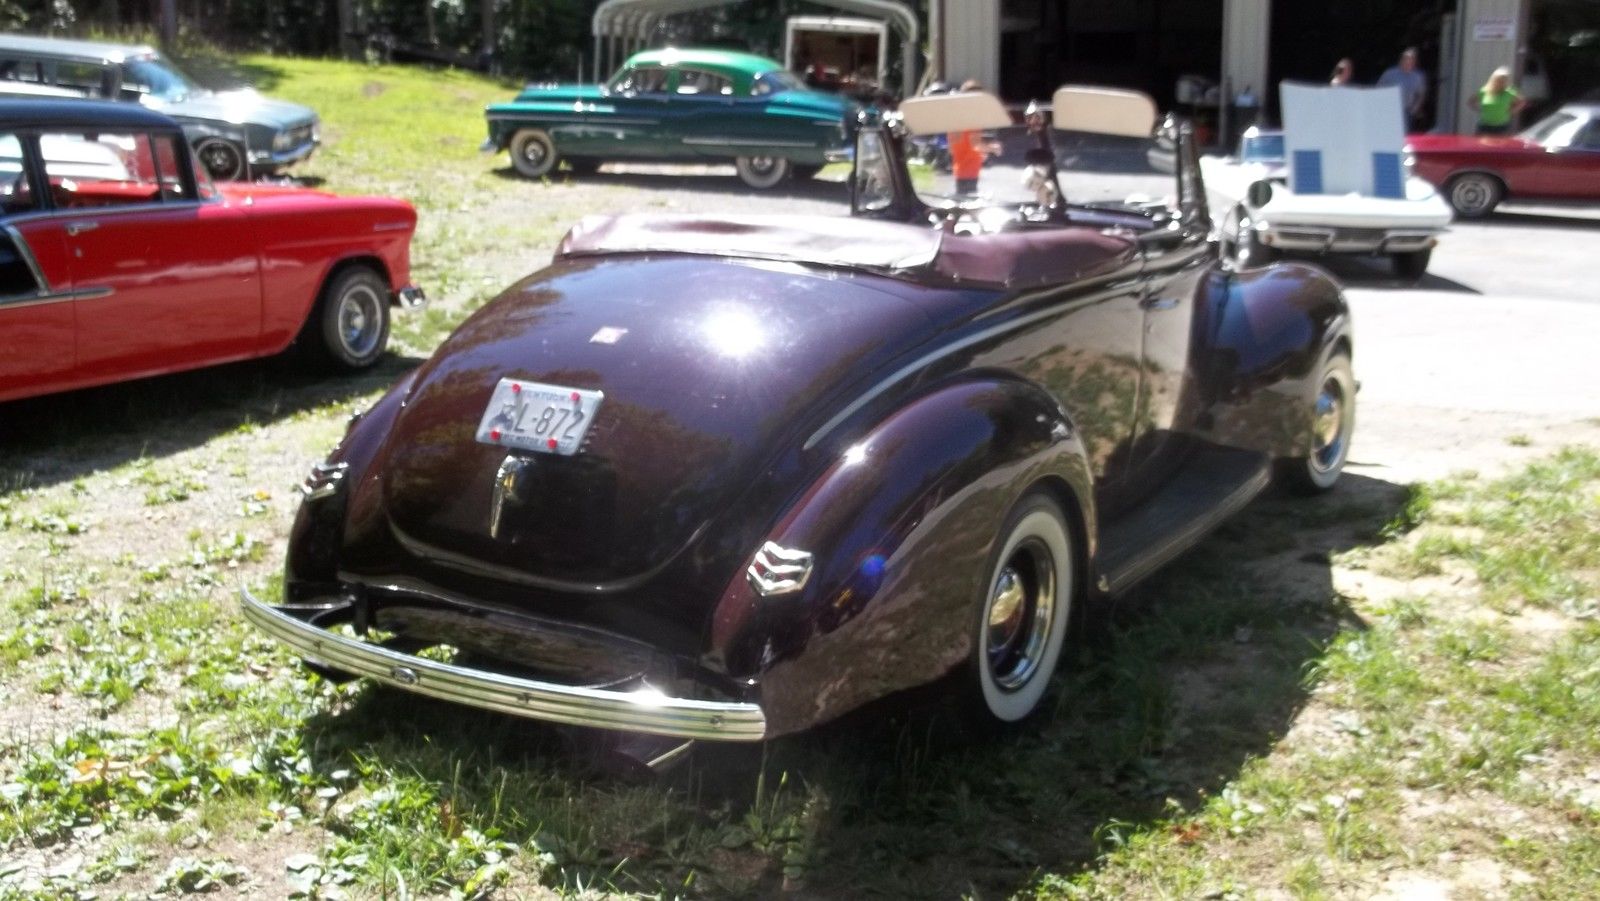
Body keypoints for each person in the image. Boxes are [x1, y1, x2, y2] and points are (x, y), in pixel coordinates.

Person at [948, 79, 1002, 195]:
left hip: (960, 171)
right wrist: (993, 148)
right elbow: (976, 145)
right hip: (969, 172)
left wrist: (978, 154)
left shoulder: (956, 118)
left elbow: (953, 148)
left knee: (962, 202)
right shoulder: (972, 118)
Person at [1377, 48, 1428, 132]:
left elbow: (1421, 94)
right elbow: (1378, 89)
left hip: (1406, 111)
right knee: (1387, 132)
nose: (1408, 62)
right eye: (1406, 59)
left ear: (1414, 62)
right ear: (1401, 60)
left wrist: (1415, 109)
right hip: (1389, 110)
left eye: (1411, 60)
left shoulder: (1418, 77)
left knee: (1403, 136)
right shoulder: (1390, 74)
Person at [1469, 66, 1527, 135]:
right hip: (1485, 125)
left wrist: (1512, 111)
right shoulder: (1484, 91)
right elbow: (1471, 102)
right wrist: (1481, 110)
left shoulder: (1509, 92)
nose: (1502, 82)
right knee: (1481, 145)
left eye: (1505, 80)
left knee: (1501, 145)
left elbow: (1522, 102)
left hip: (1502, 126)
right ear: (1494, 80)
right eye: (1500, 80)